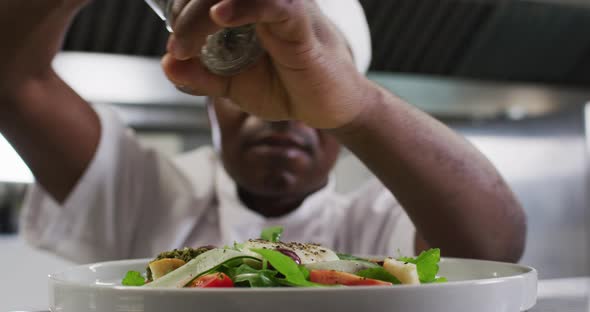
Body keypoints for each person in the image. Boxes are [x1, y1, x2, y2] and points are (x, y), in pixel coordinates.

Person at [0, 0, 526, 264]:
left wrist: (361, 107)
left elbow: (492, 250)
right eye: (248, 74)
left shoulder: (375, 226)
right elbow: (12, 81)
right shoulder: (143, 194)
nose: (280, 114)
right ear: (209, 102)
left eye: (307, 84)